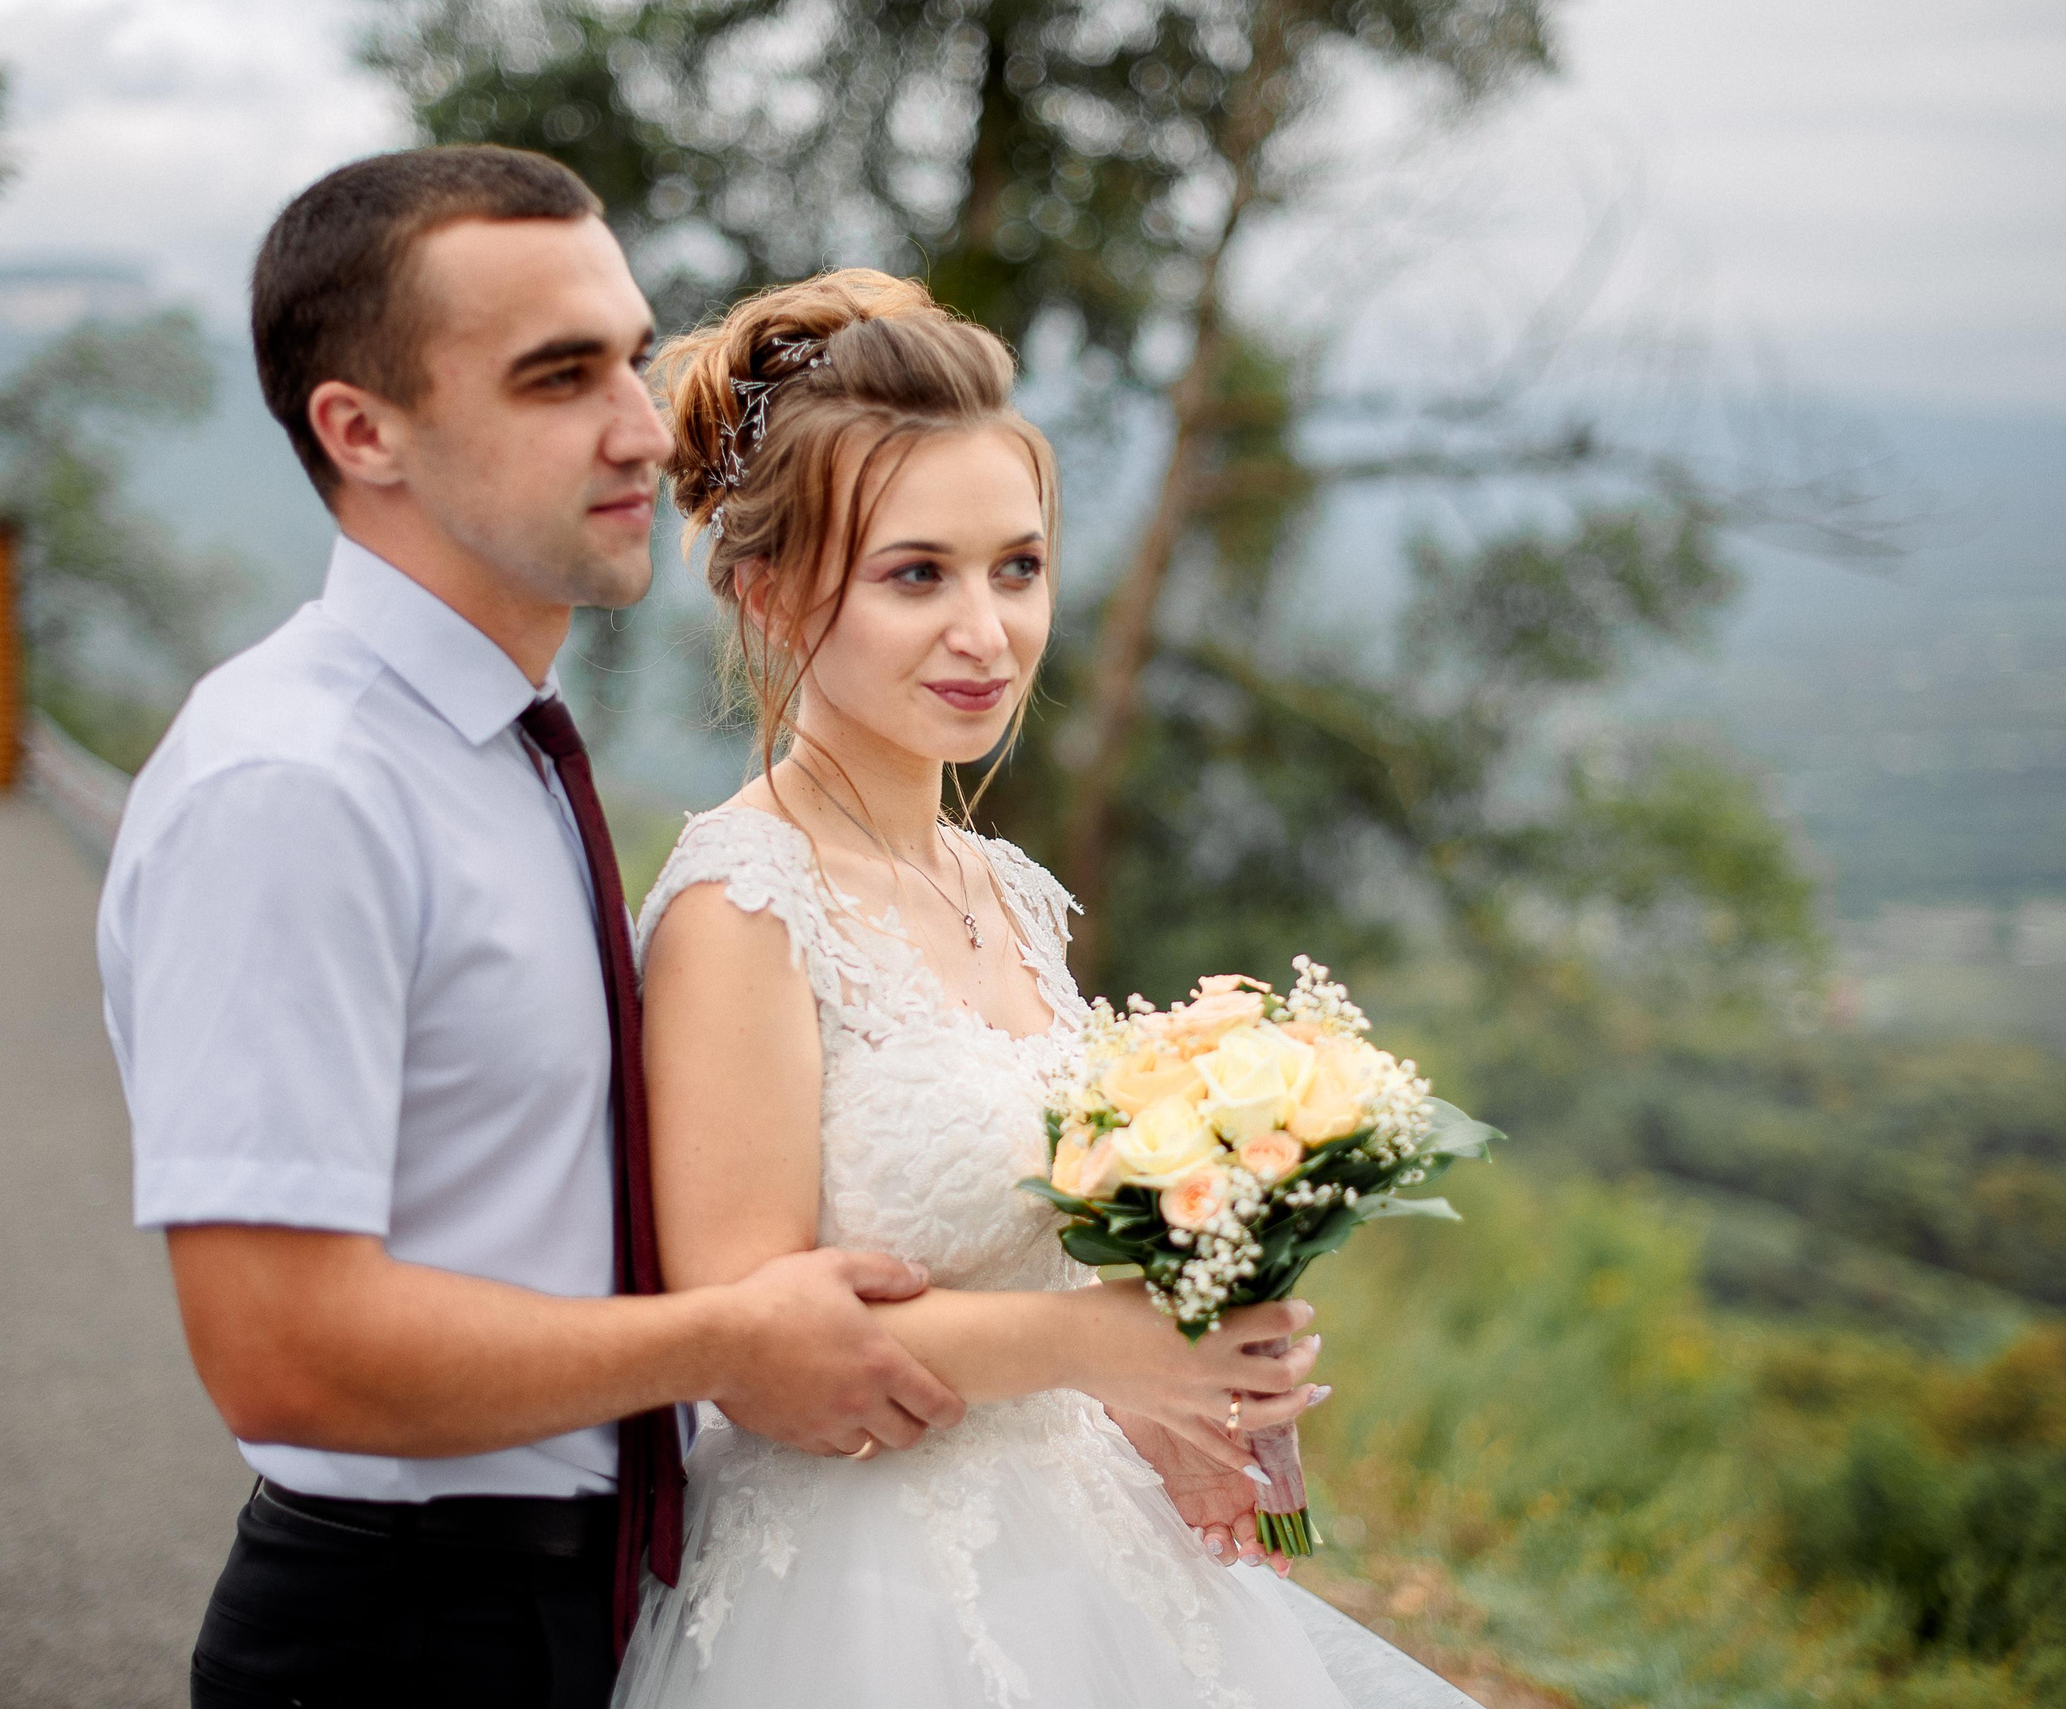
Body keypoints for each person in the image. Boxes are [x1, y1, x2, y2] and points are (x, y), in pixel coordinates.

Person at [96, 146, 1310, 1707]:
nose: (641, 425)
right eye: (560, 375)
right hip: (419, 1619)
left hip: (602, 1585)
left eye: (629, 358)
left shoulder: (514, 757)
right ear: (361, 429)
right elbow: (284, 1350)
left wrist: (1165, 1376)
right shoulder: (300, 784)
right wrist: (741, 1340)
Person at [613, 270, 1477, 1707]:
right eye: (916, 575)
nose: (987, 631)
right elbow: (745, 1341)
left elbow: (1032, 1266)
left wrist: (1176, 1398)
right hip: (859, 1602)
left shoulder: (1006, 888)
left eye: (1016, 568)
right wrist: (1114, 1351)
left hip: (1087, 1560)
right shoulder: (741, 904)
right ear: (767, 591)